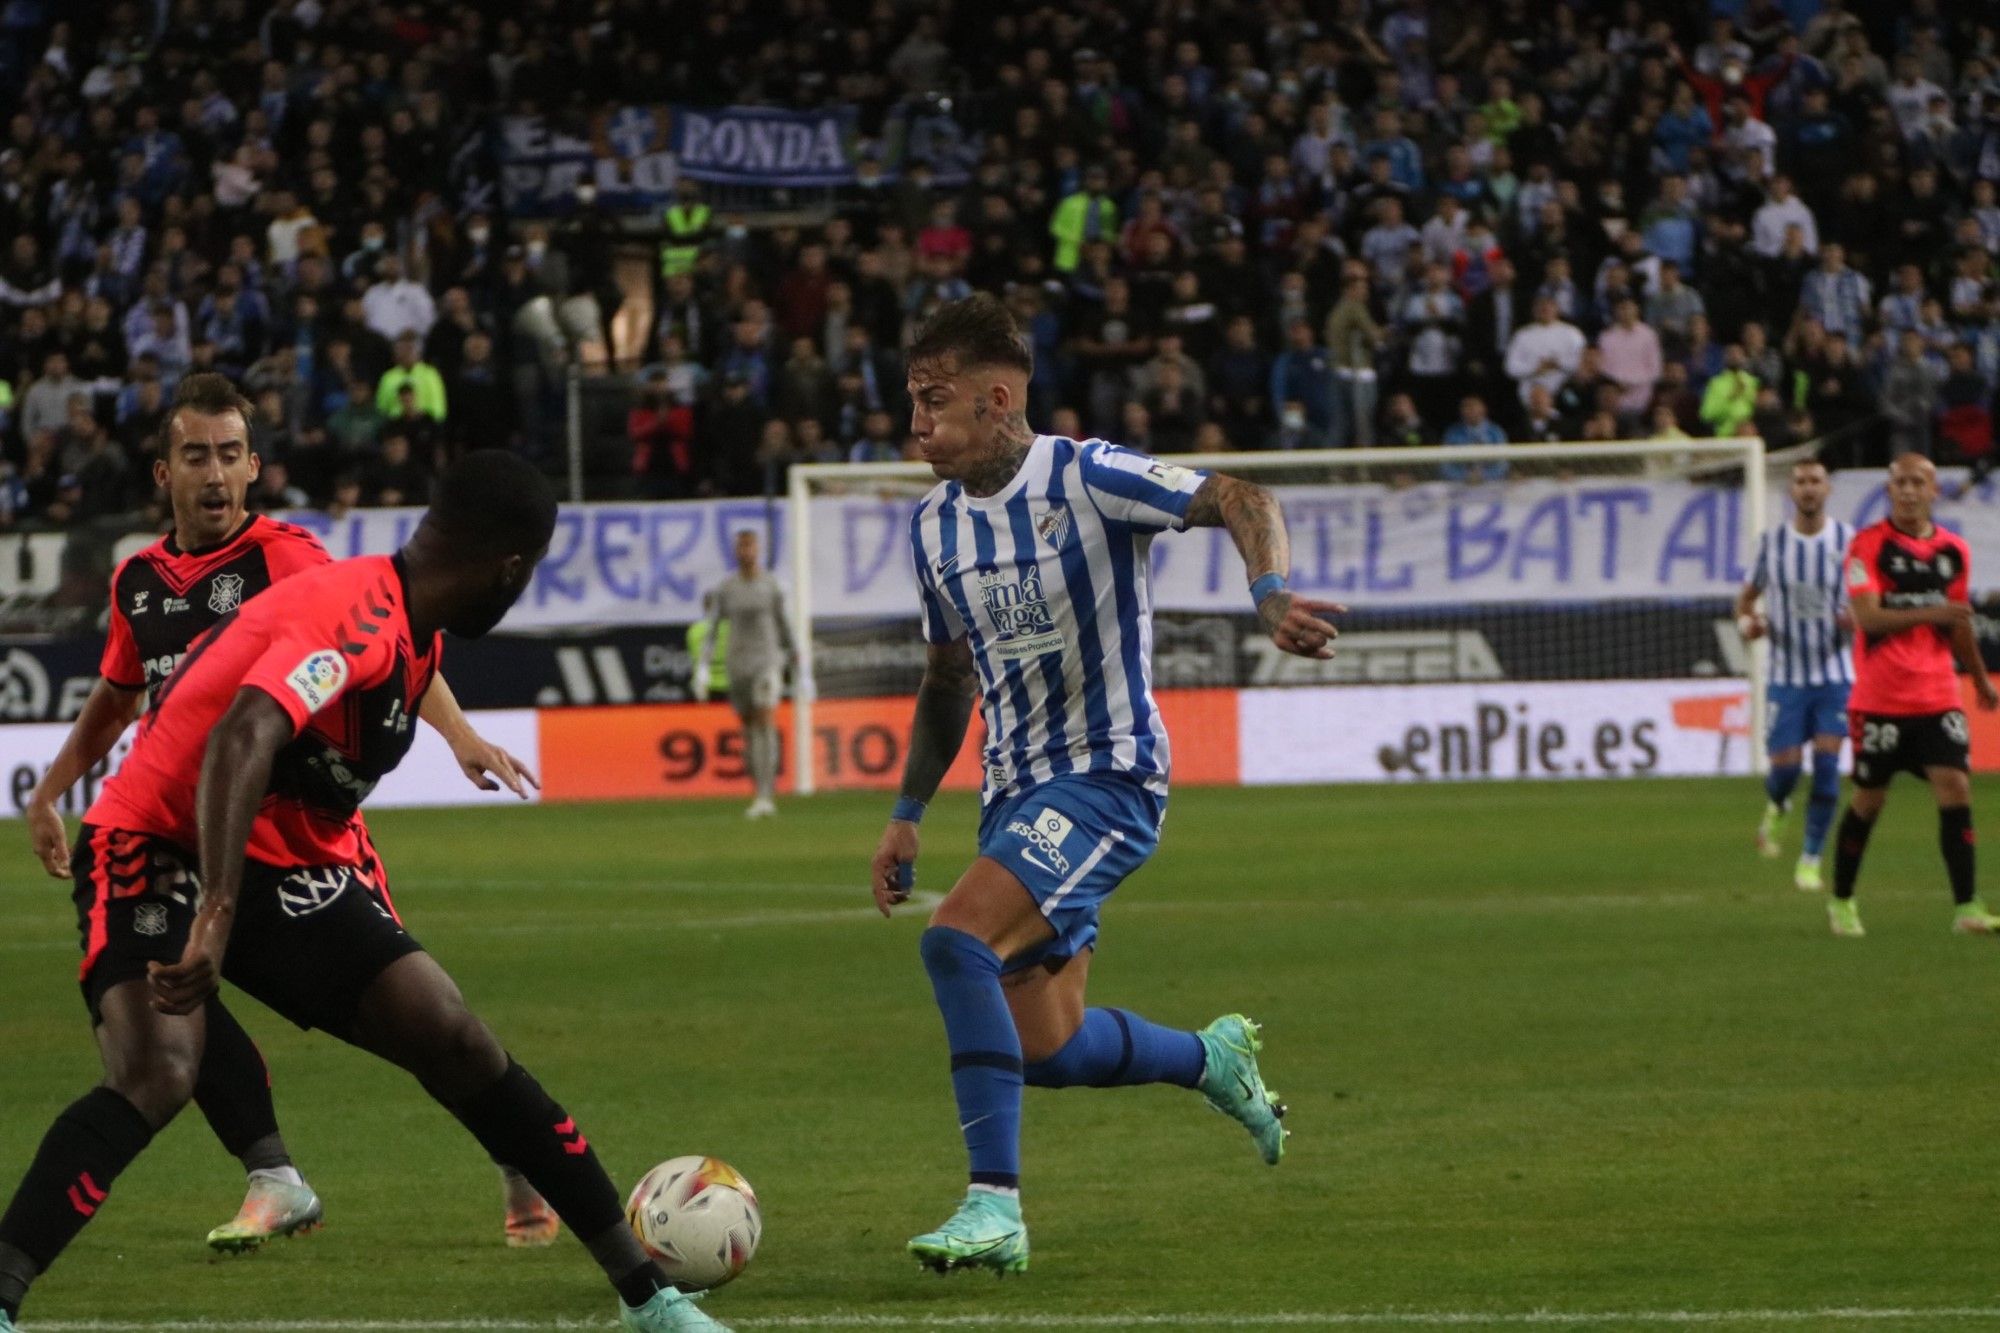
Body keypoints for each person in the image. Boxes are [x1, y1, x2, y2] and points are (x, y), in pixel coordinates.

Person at [0, 453, 729, 1333]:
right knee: (159, 1068)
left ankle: (648, 1298)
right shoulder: (357, 619)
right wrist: (217, 913)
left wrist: (458, 741)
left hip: (274, 858)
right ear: (509, 567)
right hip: (150, 840)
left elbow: (385, 694)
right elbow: (242, 734)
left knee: (451, 1031)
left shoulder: (413, 626)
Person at [18, 373, 557, 1254]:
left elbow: (399, 635)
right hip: (191, 825)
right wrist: (50, 789)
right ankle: (273, 1172)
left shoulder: (290, 559)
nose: (217, 473)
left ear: (255, 465)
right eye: (197, 455)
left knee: (417, 1017)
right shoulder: (137, 585)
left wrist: (458, 735)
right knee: (171, 989)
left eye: (231, 454)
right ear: (165, 473)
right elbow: (117, 696)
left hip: (307, 835)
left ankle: (516, 1157)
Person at [867, 295, 1340, 1274]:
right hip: (1015, 795)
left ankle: (992, 1205)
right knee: (1047, 1045)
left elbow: (1239, 497)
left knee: (954, 941)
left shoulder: (1087, 476)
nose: (913, 422)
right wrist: (906, 813)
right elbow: (947, 677)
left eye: (932, 400)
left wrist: (1268, 595)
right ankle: (1211, 1058)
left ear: (998, 399)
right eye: (909, 400)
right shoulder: (931, 529)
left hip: (1110, 776)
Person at [1828, 454, 2000, 939]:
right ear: (1889, 490)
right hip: (1880, 697)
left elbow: (1958, 621)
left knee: (1956, 786)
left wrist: (1981, 678)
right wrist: (1933, 611)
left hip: (1937, 692)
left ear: (1933, 491)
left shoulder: (1954, 551)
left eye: (1917, 482)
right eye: (1899, 482)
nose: (1907, 491)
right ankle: (1842, 900)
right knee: (1870, 799)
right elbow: (1869, 618)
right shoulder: (1867, 547)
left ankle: (1966, 906)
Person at [1735, 459, 1854, 890]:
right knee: (1784, 770)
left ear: (1827, 489)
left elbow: (1866, 600)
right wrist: (1747, 625)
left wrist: (1856, 620)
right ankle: (1777, 806)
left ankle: (1810, 858)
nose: (1808, 489)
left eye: (1815, 481)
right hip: (1786, 676)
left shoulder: (1848, 541)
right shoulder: (1772, 544)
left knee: (1827, 765)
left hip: (1835, 675)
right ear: (1791, 490)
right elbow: (1746, 600)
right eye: (1801, 481)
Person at [692, 529, 797, 819]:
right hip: (737, 665)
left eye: (750, 546)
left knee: (765, 720)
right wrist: (702, 667)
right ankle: (758, 790)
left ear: (758, 549)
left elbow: (785, 626)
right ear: (736, 551)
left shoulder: (772, 585)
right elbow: (712, 629)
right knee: (749, 728)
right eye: (741, 547)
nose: (746, 552)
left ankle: (766, 795)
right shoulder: (726, 588)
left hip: (766, 662)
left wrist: (798, 662)